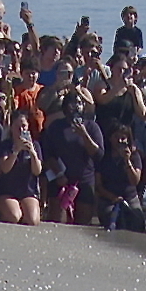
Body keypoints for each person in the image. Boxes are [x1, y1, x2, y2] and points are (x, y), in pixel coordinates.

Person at [41, 93, 103, 224]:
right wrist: (58, 174)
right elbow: (48, 155)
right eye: (72, 103)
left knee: (82, 226)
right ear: (65, 107)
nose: (76, 106)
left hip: (84, 181)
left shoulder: (92, 127)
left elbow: (98, 155)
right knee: (58, 222)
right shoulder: (56, 127)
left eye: (80, 103)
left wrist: (84, 135)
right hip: (61, 180)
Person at [0, 109, 43, 226]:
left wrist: (32, 153)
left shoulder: (35, 145)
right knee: (14, 216)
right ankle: (3, 209)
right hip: (7, 191)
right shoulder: (5, 145)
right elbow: (5, 168)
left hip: (27, 191)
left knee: (32, 220)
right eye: (17, 127)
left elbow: (37, 171)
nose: (21, 130)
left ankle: (25, 208)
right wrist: (15, 151)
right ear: (11, 128)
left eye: (24, 126)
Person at [94, 123, 144, 231]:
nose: (119, 141)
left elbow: (135, 181)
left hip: (130, 197)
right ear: (110, 138)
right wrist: (112, 198)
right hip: (108, 198)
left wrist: (127, 161)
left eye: (123, 138)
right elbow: (98, 186)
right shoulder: (103, 157)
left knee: (138, 222)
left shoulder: (134, 156)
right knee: (112, 220)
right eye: (116, 137)